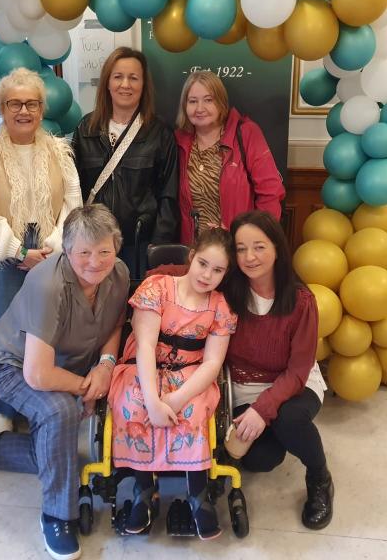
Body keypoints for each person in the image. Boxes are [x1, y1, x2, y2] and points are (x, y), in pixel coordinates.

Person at [0, 205, 129, 560]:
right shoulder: (47, 283)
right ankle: (57, 516)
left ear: (117, 249)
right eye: (84, 252)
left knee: (59, 453)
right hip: (11, 365)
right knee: (60, 414)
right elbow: (37, 374)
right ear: (67, 250)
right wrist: (87, 386)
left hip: (64, 365)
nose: (95, 262)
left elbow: (114, 323)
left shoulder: (120, 275)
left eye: (104, 251)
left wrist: (107, 366)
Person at [0, 67, 82, 432]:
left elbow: (73, 202)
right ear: (2, 108)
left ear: (43, 109)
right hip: (0, 257)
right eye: (15, 103)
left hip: (50, 252)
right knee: (3, 333)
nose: (24, 111)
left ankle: (43, 403)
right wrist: (18, 250)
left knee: (48, 330)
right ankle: (3, 411)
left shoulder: (60, 152)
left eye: (32, 103)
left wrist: (51, 246)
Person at [107, 228, 237, 540]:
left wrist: (176, 400)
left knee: (192, 411)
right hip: (145, 364)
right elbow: (146, 346)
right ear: (191, 257)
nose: (207, 275)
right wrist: (153, 401)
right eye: (203, 264)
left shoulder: (220, 306)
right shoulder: (158, 288)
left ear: (226, 273)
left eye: (217, 270)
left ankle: (198, 494)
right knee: (132, 402)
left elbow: (212, 363)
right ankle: (143, 490)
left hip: (192, 373)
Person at [224, 210, 334, 531]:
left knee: (288, 418)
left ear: (277, 247)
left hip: (294, 385)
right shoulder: (228, 291)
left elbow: (298, 370)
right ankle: (278, 431)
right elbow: (188, 271)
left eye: (258, 246)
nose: (249, 256)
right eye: (240, 248)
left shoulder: (301, 300)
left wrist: (263, 410)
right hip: (244, 386)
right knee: (261, 460)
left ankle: (319, 478)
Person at [71, 47, 179, 278]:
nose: (125, 85)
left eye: (133, 78)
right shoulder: (85, 129)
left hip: (139, 246)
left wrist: (157, 249)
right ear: (107, 83)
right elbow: (73, 190)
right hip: (93, 246)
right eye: (118, 77)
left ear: (143, 85)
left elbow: (168, 196)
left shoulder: (159, 133)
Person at [174, 70, 285, 245]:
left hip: (237, 246)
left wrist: (254, 238)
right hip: (195, 250)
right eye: (192, 101)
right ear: (184, 106)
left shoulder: (246, 133)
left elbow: (270, 192)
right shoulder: (178, 142)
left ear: (220, 102)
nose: (199, 108)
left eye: (208, 100)